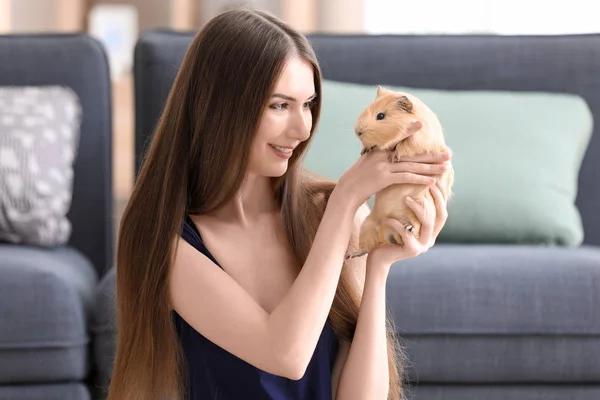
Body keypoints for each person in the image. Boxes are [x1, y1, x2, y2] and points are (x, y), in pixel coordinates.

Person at [107, 7, 451, 400]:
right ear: (221, 109)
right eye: (279, 105)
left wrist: (378, 268)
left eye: (307, 104)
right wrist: (345, 202)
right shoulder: (166, 244)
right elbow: (285, 354)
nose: (303, 127)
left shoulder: (326, 211)